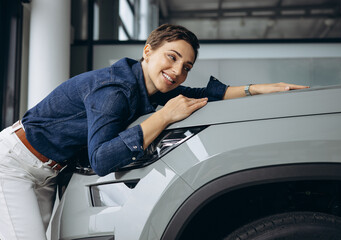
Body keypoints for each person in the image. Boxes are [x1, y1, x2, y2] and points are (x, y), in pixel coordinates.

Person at [0, 23, 309, 240]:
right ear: (148, 51)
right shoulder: (115, 90)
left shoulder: (148, 88)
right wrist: (163, 118)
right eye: (171, 57)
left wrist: (267, 88)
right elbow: (102, 159)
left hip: (45, 172)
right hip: (14, 164)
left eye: (186, 66)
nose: (177, 71)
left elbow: (206, 94)